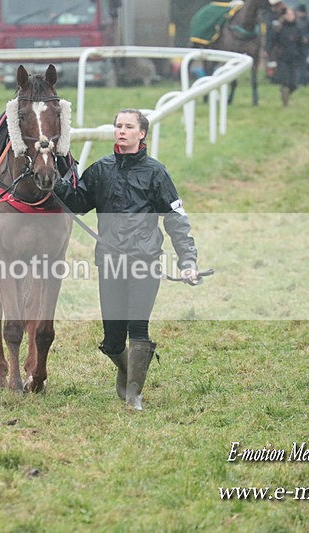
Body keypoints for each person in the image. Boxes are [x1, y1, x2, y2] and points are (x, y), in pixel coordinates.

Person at [53, 109, 200, 411]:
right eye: (118, 125)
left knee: (139, 329)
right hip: (110, 262)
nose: (121, 131)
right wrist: (54, 175)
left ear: (141, 134)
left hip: (145, 262)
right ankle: (126, 369)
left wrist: (188, 260)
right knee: (112, 340)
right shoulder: (100, 169)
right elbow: (78, 204)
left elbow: (176, 219)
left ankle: (134, 394)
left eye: (128, 126)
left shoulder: (156, 173)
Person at [269, 7, 306, 106]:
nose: (290, 16)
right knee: (285, 81)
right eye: (288, 15)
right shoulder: (279, 28)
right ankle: (285, 103)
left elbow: (301, 43)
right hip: (282, 58)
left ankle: (286, 94)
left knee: (294, 84)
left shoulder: (298, 28)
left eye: (291, 14)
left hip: (295, 57)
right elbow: (273, 41)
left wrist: (302, 53)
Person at [295, 4, 309, 87]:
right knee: (299, 64)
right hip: (298, 45)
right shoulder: (297, 20)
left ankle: (302, 82)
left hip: (306, 46)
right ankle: (300, 81)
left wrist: (307, 38)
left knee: (302, 64)